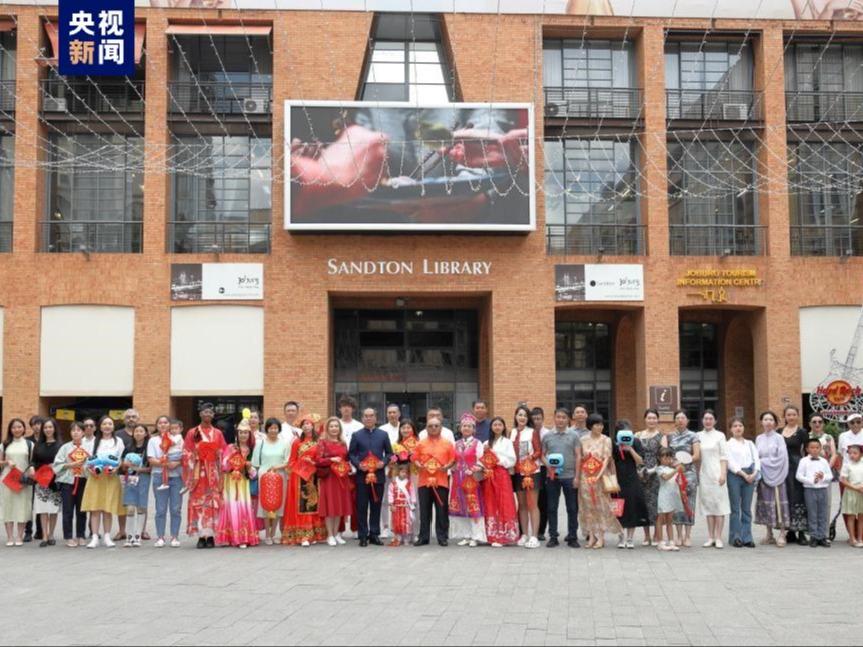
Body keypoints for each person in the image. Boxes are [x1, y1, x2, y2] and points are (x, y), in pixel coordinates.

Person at [184, 402, 227, 549]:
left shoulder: (218, 433)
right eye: (205, 412)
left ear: (213, 415)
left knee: (212, 504)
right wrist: (195, 455)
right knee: (198, 503)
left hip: (213, 472)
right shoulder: (192, 432)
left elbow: (223, 451)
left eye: (210, 412)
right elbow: (186, 451)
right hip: (198, 472)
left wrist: (217, 454)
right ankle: (201, 536)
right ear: (200, 414)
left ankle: (211, 536)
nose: (207, 414)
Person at [348, 407, 392, 547]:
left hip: (378, 476)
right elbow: (351, 454)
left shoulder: (383, 434)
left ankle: (374, 534)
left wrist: (383, 462)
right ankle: (363, 535)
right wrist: (358, 464)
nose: (368, 418)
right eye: (366, 416)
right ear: (362, 418)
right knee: (361, 506)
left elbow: (389, 453)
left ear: (375, 418)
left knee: (376, 506)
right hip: (362, 476)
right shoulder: (357, 435)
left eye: (371, 415)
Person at [578, 413, 621, 548]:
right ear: (590, 426)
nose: (600, 427)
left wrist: (598, 476)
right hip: (585, 477)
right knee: (588, 507)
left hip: (601, 477)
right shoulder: (583, 440)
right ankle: (591, 536)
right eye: (597, 425)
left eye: (601, 424)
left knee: (601, 507)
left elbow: (607, 459)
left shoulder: (606, 440)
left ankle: (601, 537)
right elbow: (581, 458)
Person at [282, 416, 327, 546]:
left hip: (314, 475)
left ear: (313, 426)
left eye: (309, 424)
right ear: (301, 427)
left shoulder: (319, 442)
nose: (306, 426)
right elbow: (291, 460)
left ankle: (315, 534)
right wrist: (298, 468)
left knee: (314, 504)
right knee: (302, 505)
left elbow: (321, 459)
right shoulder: (297, 442)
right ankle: (303, 536)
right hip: (299, 476)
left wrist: (312, 462)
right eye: (304, 424)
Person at [82, 416, 126, 549]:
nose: (107, 426)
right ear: (100, 427)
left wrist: (116, 468)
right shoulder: (92, 441)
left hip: (111, 478)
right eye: (104, 424)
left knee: (108, 508)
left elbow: (120, 459)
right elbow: (87, 460)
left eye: (110, 424)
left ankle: (107, 536)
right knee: (95, 509)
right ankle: (94, 537)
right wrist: (91, 469)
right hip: (95, 478)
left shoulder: (118, 441)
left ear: (113, 426)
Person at [216, 419, 259, 548]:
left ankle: (243, 537)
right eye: (241, 432)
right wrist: (232, 464)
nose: (243, 435)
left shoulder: (252, 449)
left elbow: (254, 473)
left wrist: (249, 467)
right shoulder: (231, 447)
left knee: (243, 507)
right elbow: (223, 464)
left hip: (243, 483)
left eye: (246, 433)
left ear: (249, 434)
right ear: (237, 434)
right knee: (231, 507)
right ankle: (230, 537)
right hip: (231, 482)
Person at [542, 407, 582, 548]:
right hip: (552, 477)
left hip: (570, 476)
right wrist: (549, 467)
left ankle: (572, 536)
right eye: (558, 417)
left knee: (572, 508)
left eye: (564, 417)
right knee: (552, 507)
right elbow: (542, 455)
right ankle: (553, 536)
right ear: (554, 418)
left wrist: (577, 477)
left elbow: (578, 456)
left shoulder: (574, 435)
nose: (560, 420)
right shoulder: (547, 436)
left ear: (568, 419)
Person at [413, 417, 455, 547]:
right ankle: (423, 537)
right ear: (426, 428)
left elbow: (453, 459)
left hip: (441, 481)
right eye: (430, 426)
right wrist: (419, 465)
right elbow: (414, 458)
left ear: (441, 427)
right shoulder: (421, 443)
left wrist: (447, 466)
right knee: (424, 510)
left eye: (436, 426)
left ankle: (442, 537)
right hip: (424, 482)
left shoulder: (447, 443)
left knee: (442, 509)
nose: (433, 428)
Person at [663, 410, 701, 547]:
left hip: (689, 473)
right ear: (674, 420)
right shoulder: (670, 436)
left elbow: (696, 455)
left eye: (683, 418)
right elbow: (665, 454)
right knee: (677, 504)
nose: (680, 420)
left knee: (689, 503)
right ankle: (678, 535)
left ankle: (688, 535)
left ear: (687, 420)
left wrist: (683, 461)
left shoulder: (693, 436)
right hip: (674, 473)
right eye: (677, 418)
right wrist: (673, 463)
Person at [449, 413, 487, 547]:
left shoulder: (477, 443)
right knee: (461, 505)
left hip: (471, 479)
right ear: (460, 428)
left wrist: (475, 469)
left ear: (473, 429)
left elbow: (481, 460)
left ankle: (476, 536)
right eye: (464, 426)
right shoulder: (456, 444)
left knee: (473, 505)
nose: (466, 428)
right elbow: (453, 460)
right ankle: (466, 535)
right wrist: (452, 467)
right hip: (458, 479)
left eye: (469, 426)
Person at [316, 417, 354, 547]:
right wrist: (331, 460)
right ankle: (330, 535)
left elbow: (346, 459)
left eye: (336, 426)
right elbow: (318, 460)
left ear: (339, 428)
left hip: (342, 477)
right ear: (327, 428)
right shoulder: (323, 442)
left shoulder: (343, 443)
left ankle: (337, 533)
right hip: (329, 478)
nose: (334, 428)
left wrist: (348, 467)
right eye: (331, 426)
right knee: (329, 506)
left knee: (339, 505)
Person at [147, 416, 184, 548]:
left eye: (165, 422)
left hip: (176, 477)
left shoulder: (177, 438)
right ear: (156, 426)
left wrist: (177, 463)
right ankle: (160, 537)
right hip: (159, 476)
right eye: (160, 423)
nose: (163, 425)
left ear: (169, 425)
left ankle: (174, 536)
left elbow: (185, 455)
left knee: (175, 508)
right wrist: (165, 463)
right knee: (161, 509)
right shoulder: (153, 440)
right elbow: (151, 459)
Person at [252, 417, 290, 545]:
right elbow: (255, 463)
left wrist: (277, 467)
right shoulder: (260, 443)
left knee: (279, 505)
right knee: (265, 505)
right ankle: (267, 535)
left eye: (275, 428)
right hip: (265, 477)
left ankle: (274, 533)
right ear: (266, 429)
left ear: (279, 429)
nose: (273, 430)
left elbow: (288, 461)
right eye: (271, 428)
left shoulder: (285, 443)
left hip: (280, 476)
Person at [481, 417, 519, 547]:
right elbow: (481, 459)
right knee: (490, 503)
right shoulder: (486, 442)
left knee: (503, 502)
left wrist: (496, 458)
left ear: (503, 427)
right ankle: (491, 535)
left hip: (502, 474)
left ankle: (505, 536)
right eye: (495, 425)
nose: (497, 427)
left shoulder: (507, 442)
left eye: (499, 425)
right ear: (491, 427)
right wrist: (486, 452)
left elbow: (512, 460)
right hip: (489, 475)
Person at [612, 419, 649, 549]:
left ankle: (630, 538)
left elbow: (640, 461)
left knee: (632, 507)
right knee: (618, 508)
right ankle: (621, 537)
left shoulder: (636, 441)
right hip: (618, 479)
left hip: (632, 478)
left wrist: (630, 449)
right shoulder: (613, 443)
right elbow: (611, 462)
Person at [755, 411, 790, 547]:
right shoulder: (759, 438)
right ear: (761, 422)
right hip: (764, 475)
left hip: (778, 474)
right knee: (766, 502)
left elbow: (782, 457)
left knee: (778, 503)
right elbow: (756, 457)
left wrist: (764, 462)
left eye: (771, 419)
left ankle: (782, 534)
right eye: (765, 419)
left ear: (775, 423)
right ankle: (769, 534)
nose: (768, 422)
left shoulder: (779, 438)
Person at [53, 421, 89, 548]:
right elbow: (56, 465)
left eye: (79, 430)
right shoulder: (64, 448)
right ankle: (68, 537)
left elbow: (93, 463)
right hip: (68, 482)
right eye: (73, 430)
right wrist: (71, 465)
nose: (76, 433)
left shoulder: (88, 447)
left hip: (83, 480)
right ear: (70, 433)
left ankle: (81, 535)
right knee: (67, 510)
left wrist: (86, 466)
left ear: (83, 432)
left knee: (82, 510)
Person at [725, 417, 760, 548]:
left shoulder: (750, 444)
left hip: (750, 474)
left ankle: (747, 537)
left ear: (744, 428)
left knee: (746, 508)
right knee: (735, 508)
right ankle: (735, 537)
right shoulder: (728, 444)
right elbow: (730, 462)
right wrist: (743, 474)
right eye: (735, 426)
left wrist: (754, 473)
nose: (738, 428)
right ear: (731, 429)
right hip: (735, 475)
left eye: (740, 425)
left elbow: (757, 459)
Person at [697, 410, 730, 548]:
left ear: (715, 421)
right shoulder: (698, 436)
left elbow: (724, 456)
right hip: (704, 475)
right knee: (708, 506)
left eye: (710, 418)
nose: (708, 421)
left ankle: (718, 537)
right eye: (705, 418)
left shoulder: (720, 435)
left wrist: (723, 474)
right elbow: (697, 456)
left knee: (719, 505)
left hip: (717, 474)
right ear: (702, 420)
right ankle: (710, 537)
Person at [511, 404, 542, 549]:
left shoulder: (532, 432)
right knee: (522, 505)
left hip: (531, 472)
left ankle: (534, 536)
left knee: (532, 504)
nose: (522, 417)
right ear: (515, 417)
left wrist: (530, 458)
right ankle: (524, 534)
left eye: (524, 415)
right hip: (517, 472)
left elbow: (538, 451)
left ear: (528, 418)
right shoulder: (511, 432)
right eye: (520, 415)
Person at [1, 418, 34, 546]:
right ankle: (10, 537)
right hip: (7, 480)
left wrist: (31, 470)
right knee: (8, 507)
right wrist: (7, 462)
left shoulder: (29, 444)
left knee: (22, 507)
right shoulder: (4, 444)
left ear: (24, 428)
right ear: (10, 429)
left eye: (19, 427)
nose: (17, 429)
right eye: (14, 427)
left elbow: (33, 462)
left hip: (23, 480)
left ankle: (20, 536)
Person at [780, 405, 809, 545]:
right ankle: (790, 531)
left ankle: (801, 532)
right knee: (787, 498)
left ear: (797, 415)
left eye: (793, 414)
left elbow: (807, 451)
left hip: (797, 466)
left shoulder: (802, 432)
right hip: (783, 468)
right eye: (788, 414)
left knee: (799, 498)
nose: (791, 417)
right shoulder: (779, 432)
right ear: (784, 416)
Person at [796, 437, 833, 547]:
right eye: (812, 447)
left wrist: (823, 477)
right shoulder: (803, 461)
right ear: (807, 449)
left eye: (817, 447)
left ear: (820, 448)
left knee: (823, 513)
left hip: (823, 489)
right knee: (812, 513)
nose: (815, 450)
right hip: (810, 490)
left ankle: (822, 536)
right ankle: (814, 536)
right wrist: (811, 480)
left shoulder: (824, 461)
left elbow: (830, 476)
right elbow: (799, 475)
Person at [33, 417, 62, 547]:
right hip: (41, 481)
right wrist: (32, 468)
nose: (48, 429)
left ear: (54, 429)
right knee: (43, 509)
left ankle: (51, 534)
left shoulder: (61, 445)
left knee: (53, 509)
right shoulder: (38, 445)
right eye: (45, 427)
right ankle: (44, 535)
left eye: (50, 427)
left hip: (55, 481)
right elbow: (33, 461)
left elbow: (63, 462)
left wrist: (54, 466)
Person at [121, 423, 151, 547]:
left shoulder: (148, 448)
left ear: (146, 433)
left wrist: (138, 469)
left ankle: (137, 536)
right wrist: (126, 465)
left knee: (141, 507)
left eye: (141, 431)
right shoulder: (128, 447)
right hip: (130, 479)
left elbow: (150, 468)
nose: (138, 433)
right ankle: (129, 537)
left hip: (143, 479)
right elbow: (123, 465)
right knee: (130, 508)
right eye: (136, 431)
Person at [636, 408, 663, 546]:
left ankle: (657, 534)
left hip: (655, 474)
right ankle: (646, 536)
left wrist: (655, 470)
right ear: (645, 419)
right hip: (640, 473)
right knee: (643, 504)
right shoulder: (637, 435)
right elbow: (634, 454)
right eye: (649, 418)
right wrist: (639, 470)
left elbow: (664, 456)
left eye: (654, 418)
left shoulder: (662, 436)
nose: (652, 420)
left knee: (656, 505)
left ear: (657, 420)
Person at [838, 413, 863, 540]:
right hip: (847, 475)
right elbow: (840, 455)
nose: (855, 425)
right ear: (848, 424)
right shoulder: (843, 436)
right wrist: (841, 472)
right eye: (852, 422)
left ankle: (861, 536)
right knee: (849, 508)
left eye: (858, 421)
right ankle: (852, 535)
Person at [655, 448, 684, 552]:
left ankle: (671, 541)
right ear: (659, 458)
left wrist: (679, 467)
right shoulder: (659, 468)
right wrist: (676, 470)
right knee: (661, 518)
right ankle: (660, 542)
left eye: (669, 457)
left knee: (670, 519)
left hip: (673, 496)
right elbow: (666, 477)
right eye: (664, 457)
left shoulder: (672, 468)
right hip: (664, 496)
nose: (667, 460)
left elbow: (680, 478)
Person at [379, 403, 402, 538]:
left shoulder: (404, 428)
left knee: (401, 498)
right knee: (385, 499)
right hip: (386, 469)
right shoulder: (382, 430)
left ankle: (398, 524)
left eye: (394, 412)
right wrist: (388, 460)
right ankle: (386, 527)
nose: (392, 415)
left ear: (399, 414)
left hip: (402, 470)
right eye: (389, 412)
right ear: (387, 414)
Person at [387, 459, 416, 546]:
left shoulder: (409, 483)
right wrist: (391, 504)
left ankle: (406, 538)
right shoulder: (393, 483)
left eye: (405, 472)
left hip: (406, 506)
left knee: (407, 522)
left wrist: (413, 502)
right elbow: (390, 494)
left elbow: (412, 493)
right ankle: (398, 538)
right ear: (398, 472)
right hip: (396, 507)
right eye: (402, 472)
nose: (404, 474)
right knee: (396, 522)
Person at [839, 444, 863, 547]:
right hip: (851, 492)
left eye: (855, 453)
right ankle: (852, 538)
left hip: (862, 492)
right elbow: (843, 480)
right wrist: (855, 488)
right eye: (850, 453)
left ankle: (860, 538)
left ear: (861, 454)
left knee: (861, 516)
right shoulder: (847, 465)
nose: (852, 455)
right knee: (851, 516)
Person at [24, 415, 42, 543]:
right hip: (30, 475)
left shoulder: (46, 440)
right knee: (28, 504)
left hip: (42, 476)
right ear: (31, 426)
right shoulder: (26, 441)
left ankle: (40, 530)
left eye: (39, 423)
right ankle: (28, 531)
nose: (37, 426)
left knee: (40, 504)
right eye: (34, 424)